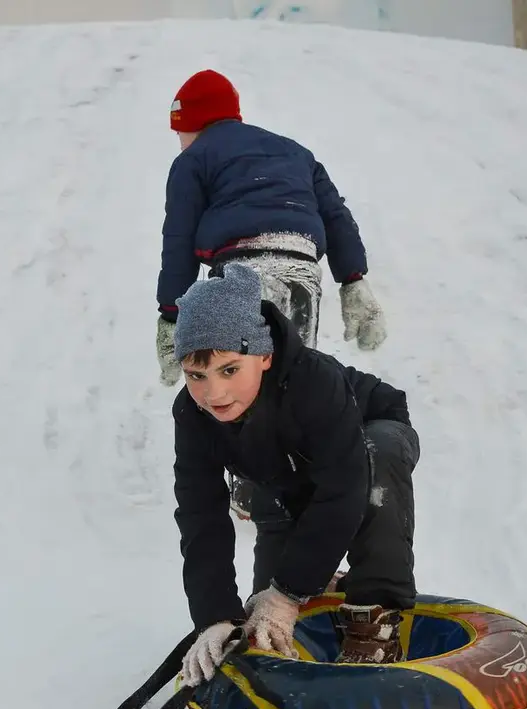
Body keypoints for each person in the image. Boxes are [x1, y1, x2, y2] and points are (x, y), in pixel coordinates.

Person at [169, 263, 419, 686]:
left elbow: (342, 491)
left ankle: (374, 612)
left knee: (375, 471)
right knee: (268, 600)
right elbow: (200, 516)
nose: (214, 393)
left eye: (229, 369)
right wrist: (215, 616)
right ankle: (321, 580)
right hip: (284, 473)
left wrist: (286, 595)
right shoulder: (192, 414)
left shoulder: (314, 384)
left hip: (368, 436)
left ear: (264, 356)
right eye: (196, 375)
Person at [154, 68, 387, 520]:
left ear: (193, 124)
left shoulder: (193, 160)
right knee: (288, 373)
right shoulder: (295, 152)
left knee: (233, 374)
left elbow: (178, 239)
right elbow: (337, 217)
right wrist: (353, 279)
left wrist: (171, 312)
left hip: (239, 267)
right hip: (301, 268)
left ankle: (250, 483)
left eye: (179, 131)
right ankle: (302, 471)